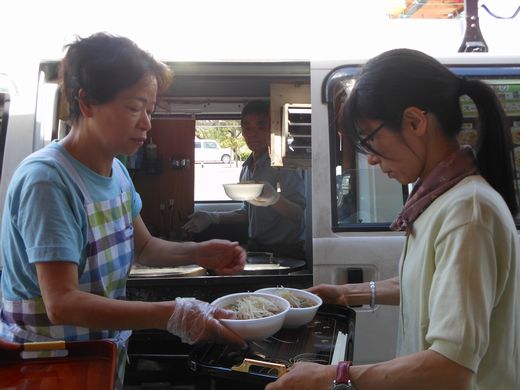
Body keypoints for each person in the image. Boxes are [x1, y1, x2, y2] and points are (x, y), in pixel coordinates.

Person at [0, 33, 247, 390]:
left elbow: (144, 247)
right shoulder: (47, 181)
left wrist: (199, 252)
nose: (146, 122)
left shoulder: (115, 171)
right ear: (86, 102)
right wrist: (171, 314)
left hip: (98, 358)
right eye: (134, 108)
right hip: (46, 366)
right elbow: (62, 303)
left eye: (150, 109)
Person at [266, 48, 520, 389]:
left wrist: (333, 376)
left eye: (370, 140)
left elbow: (451, 367)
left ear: (415, 122)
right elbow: (424, 286)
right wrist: (345, 293)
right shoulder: (442, 201)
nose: (370, 159)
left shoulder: (468, 212)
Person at [183, 100, 307, 260]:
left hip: (287, 252)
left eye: (261, 126)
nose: (252, 133)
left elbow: (298, 214)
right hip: (259, 248)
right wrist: (213, 217)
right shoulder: (247, 167)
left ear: (272, 128)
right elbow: (247, 212)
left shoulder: (284, 165)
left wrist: (274, 199)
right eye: (247, 127)